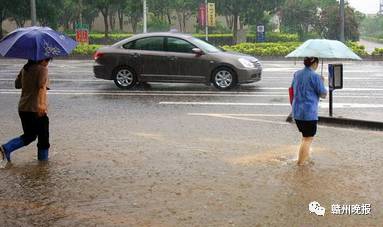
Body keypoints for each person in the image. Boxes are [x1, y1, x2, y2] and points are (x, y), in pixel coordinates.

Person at [0, 58, 51, 165]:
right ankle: (43, 163)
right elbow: (42, 87)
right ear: (41, 60)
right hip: (36, 109)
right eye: (47, 60)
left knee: (30, 135)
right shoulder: (42, 69)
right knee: (43, 137)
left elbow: (17, 85)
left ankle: (7, 148)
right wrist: (42, 105)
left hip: (23, 108)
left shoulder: (25, 68)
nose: (47, 63)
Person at [291, 57, 327, 166]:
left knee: (304, 137)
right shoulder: (315, 77)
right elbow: (323, 94)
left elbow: (292, 88)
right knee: (308, 138)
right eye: (317, 63)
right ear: (315, 63)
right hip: (309, 113)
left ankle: (306, 157)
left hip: (297, 111)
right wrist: (322, 81)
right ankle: (301, 163)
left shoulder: (297, 74)